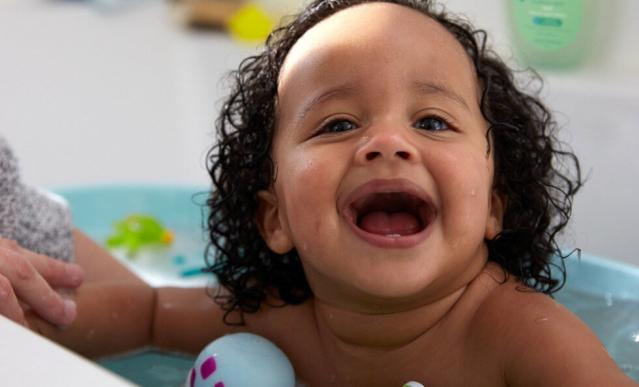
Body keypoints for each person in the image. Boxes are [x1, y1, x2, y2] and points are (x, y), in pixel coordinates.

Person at [1, 1, 637, 385]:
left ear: (494, 204)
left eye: (432, 122)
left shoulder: (521, 336)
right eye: (338, 124)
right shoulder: (278, 317)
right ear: (275, 217)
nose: (388, 143)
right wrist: (22, 322)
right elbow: (144, 315)